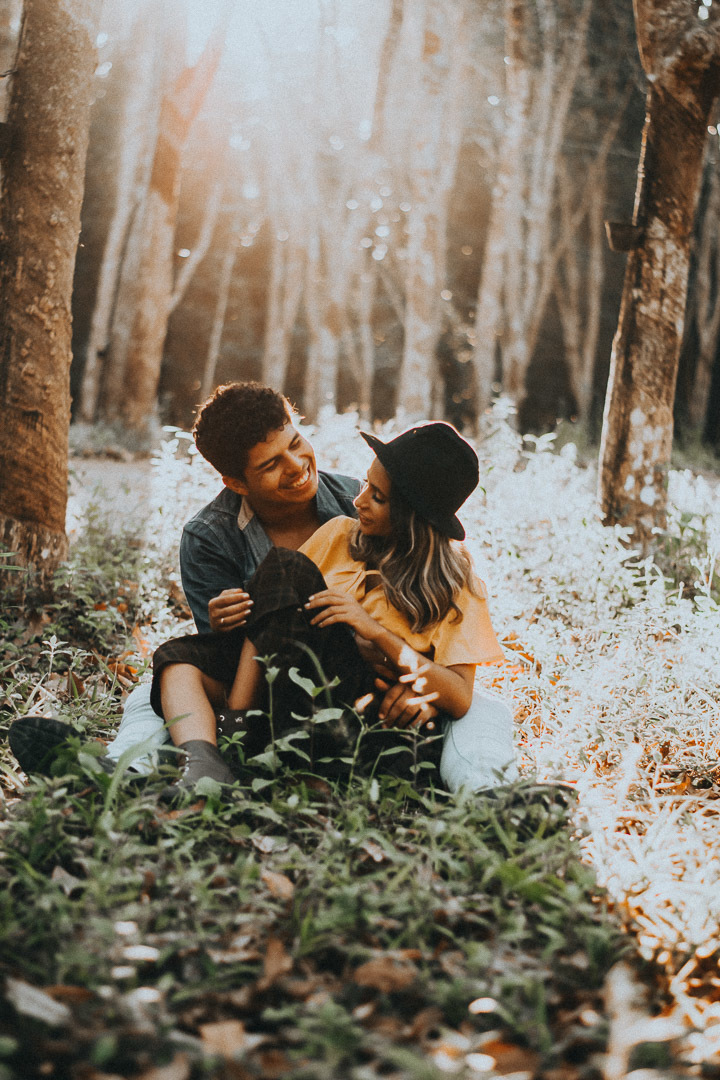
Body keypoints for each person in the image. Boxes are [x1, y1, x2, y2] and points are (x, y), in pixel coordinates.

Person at [8, 383, 453, 783]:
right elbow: (224, 661)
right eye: (272, 464)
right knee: (165, 675)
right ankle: (129, 769)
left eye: (296, 443)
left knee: (474, 710)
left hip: (350, 682)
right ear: (235, 482)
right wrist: (225, 626)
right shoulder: (210, 537)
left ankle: (485, 786)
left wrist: (418, 685)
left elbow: (428, 598)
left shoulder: (358, 501)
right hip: (268, 688)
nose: (297, 466)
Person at [147, 422, 510, 795]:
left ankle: (237, 740)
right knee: (177, 658)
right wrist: (233, 618)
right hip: (291, 695)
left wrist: (375, 633)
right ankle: (207, 759)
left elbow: (460, 694)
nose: (359, 500)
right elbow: (277, 605)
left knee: (288, 568)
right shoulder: (339, 533)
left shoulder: (457, 587)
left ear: (413, 518)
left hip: (365, 721)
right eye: (367, 484)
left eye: (378, 497)